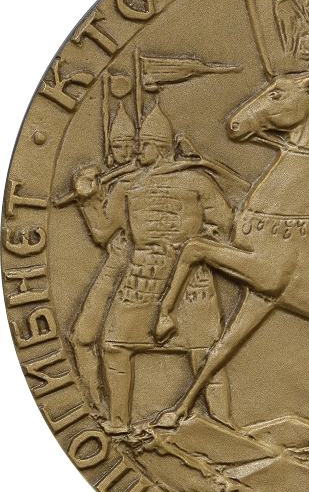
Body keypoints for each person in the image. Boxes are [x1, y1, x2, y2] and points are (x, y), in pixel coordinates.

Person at [74, 104, 234, 434]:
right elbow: (103, 233)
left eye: (144, 144)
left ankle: (223, 426)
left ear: (160, 147)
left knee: (206, 354)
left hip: (190, 279)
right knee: (114, 346)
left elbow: (224, 224)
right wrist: (88, 198)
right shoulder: (126, 187)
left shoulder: (197, 182)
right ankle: (119, 423)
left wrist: (195, 245)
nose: (137, 151)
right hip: (141, 277)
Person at [71, 104, 136, 412]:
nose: (125, 153)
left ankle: (100, 410)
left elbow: (101, 232)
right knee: (81, 338)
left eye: (130, 146)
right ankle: (95, 407)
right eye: (118, 147)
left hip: (128, 264)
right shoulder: (118, 181)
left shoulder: (127, 184)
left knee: (87, 338)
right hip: (118, 261)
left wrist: (87, 198)